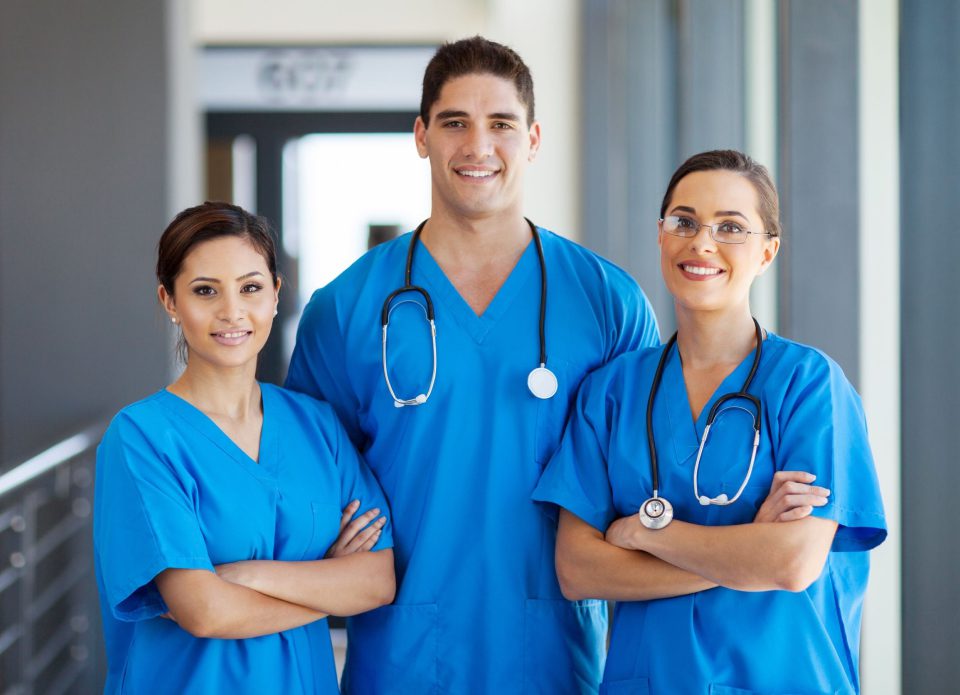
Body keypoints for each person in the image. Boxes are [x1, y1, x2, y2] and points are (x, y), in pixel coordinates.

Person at [285, 36, 660, 692]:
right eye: (454, 122)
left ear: (535, 139)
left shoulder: (607, 302)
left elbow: (648, 476)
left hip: (555, 655)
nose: (477, 146)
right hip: (400, 656)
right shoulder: (345, 309)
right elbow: (305, 486)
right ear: (421, 135)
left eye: (501, 125)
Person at [533, 150, 887, 694]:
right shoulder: (613, 392)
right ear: (660, 235)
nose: (701, 242)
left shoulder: (809, 384)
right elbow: (579, 570)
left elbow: (792, 562)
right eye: (685, 221)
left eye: (731, 227)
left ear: (767, 252)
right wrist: (746, 554)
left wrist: (648, 532)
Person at [93, 202, 395, 694]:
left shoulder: (316, 425)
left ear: (276, 295)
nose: (231, 311)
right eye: (205, 291)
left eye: (250, 287)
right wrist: (330, 585)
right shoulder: (142, 438)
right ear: (170, 301)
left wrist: (242, 575)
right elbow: (206, 612)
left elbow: (377, 581)